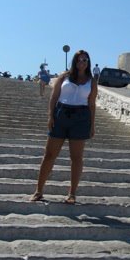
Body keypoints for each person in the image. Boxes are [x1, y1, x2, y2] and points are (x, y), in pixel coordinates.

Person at [30, 50, 97, 204]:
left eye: (85, 60)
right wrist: (51, 116)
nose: (82, 62)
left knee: (76, 157)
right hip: (61, 114)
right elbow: (54, 97)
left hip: (81, 117)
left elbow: (92, 104)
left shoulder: (91, 81)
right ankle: (38, 191)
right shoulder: (64, 76)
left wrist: (92, 125)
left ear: (88, 62)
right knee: (49, 154)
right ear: (74, 61)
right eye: (79, 59)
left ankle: (72, 194)